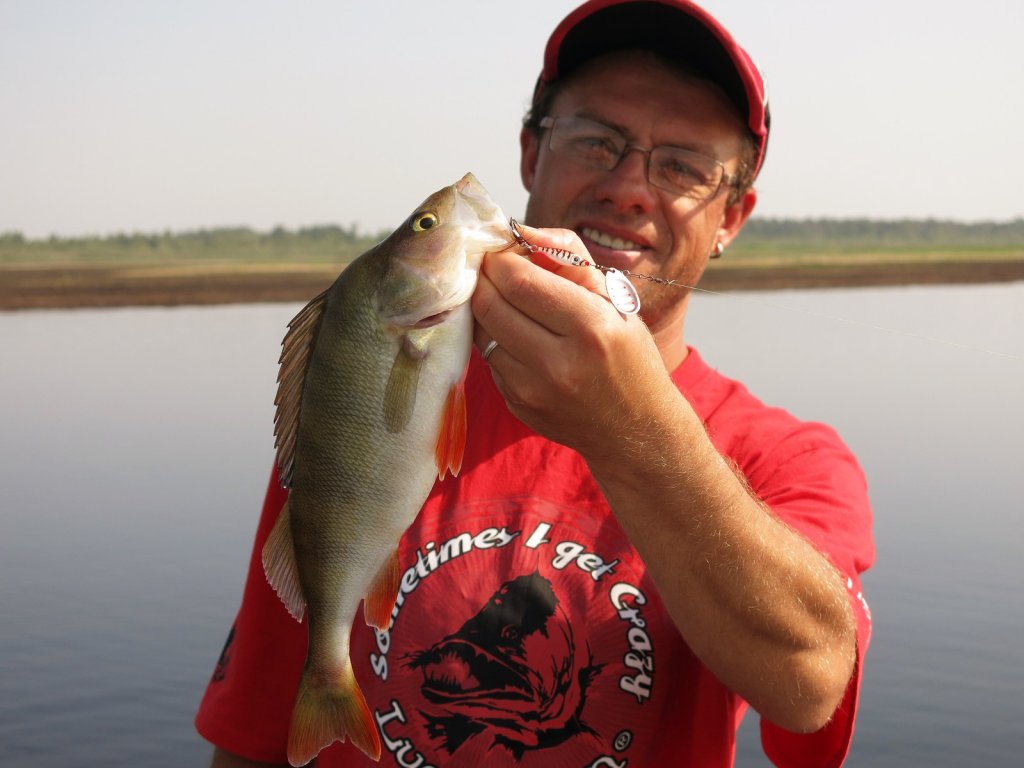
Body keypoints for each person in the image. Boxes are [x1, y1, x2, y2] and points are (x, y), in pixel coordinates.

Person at [196, 1, 875, 766]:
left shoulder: (790, 460)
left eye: (684, 166)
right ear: (530, 154)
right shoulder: (351, 413)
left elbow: (810, 685)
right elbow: (255, 734)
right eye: (597, 141)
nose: (628, 188)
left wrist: (633, 428)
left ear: (732, 218)